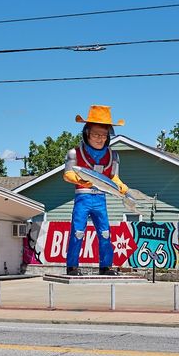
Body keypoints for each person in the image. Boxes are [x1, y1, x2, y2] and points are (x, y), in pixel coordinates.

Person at [63, 105, 129, 276]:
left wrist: (120, 185)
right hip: (82, 198)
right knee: (77, 232)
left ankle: (106, 266)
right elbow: (67, 174)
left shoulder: (113, 155)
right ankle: (72, 266)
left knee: (105, 233)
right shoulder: (75, 153)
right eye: (96, 134)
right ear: (86, 133)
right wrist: (80, 180)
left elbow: (113, 176)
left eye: (104, 135)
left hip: (100, 198)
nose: (100, 139)